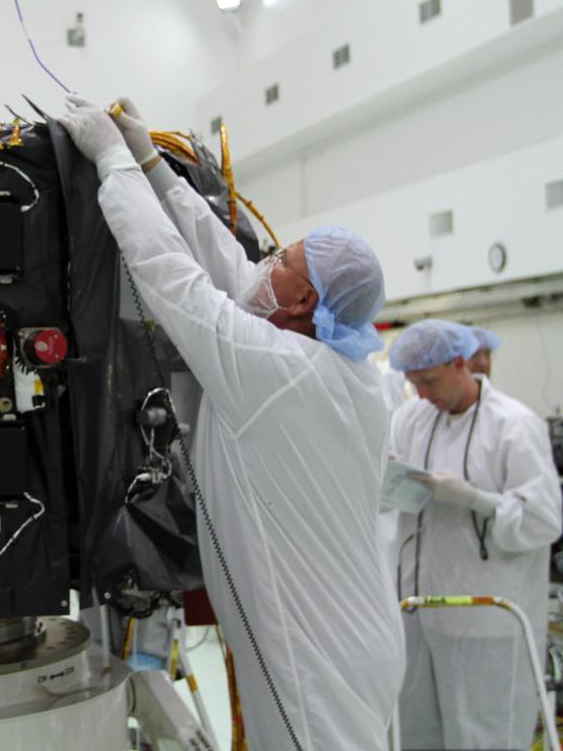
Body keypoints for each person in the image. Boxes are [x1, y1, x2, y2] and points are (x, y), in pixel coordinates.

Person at [59, 95, 404, 749]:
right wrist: (153, 164)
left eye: (284, 258)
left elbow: (177, 281)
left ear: (305, 300)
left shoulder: (282, 373)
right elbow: (233, 273)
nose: (266, 261)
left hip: (315, 657)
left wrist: (111, 162)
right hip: (357, 637)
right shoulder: (344, 370)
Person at [388, 319, 561, 749]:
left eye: (429, 380)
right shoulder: (413, 417)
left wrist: (475, 500)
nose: (423, 393)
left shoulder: (514, 426)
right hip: (418, 611)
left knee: (484, 735)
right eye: (414, 384)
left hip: (487, 619)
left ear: (462, 363)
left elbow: (543, 520)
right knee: (416, 733)